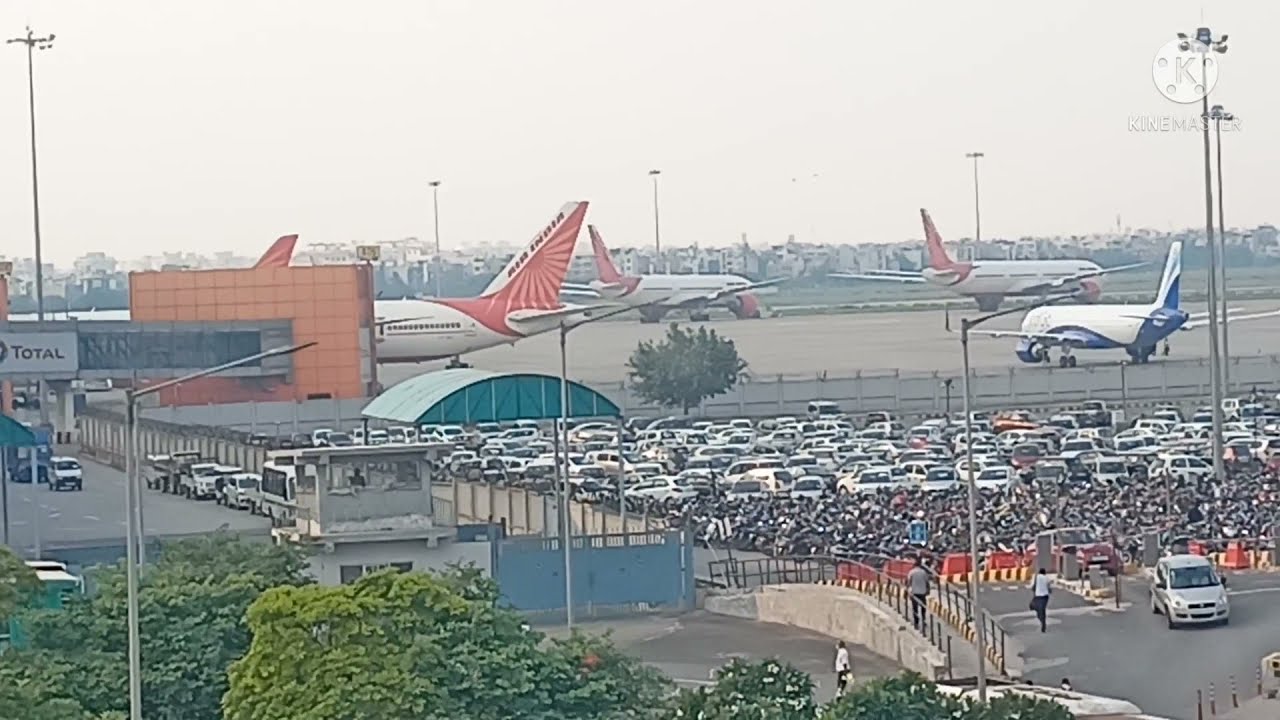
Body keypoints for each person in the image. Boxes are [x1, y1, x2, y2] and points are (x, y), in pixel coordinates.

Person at [906, 556, 930, 632]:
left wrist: (908, 591)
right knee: (923, 608)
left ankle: (916, 622)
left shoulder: (911, 572)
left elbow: (908, 582)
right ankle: (923, 620)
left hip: (914, 592)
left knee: (915, 608)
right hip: (922, 592)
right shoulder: (923, 572)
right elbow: (927, 582)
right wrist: (928, 590)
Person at [1029, 567, 1052, 632]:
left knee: (1037, 608)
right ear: (1044, 573)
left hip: (1038, 596)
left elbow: (1032, 587)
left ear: (1039, 572)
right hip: (1045, 597)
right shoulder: (1047, 578)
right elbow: (1049, 588)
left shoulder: (1036, 577)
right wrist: (1049, 591)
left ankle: (1042, 621)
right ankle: (1043, 622)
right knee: (1043, 609)